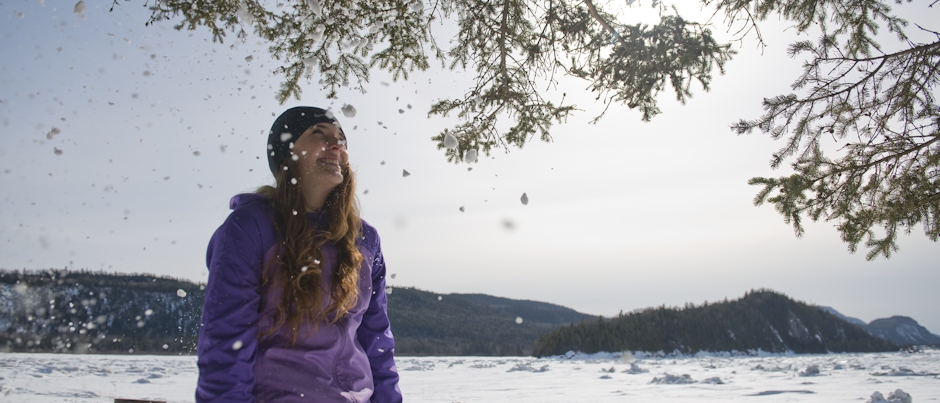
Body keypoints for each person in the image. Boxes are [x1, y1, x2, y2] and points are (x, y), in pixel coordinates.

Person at [195, 106, 402, 403]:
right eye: (319, 133)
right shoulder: (251, 227)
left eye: (341, 139)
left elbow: (377, 342)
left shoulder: (364, 239)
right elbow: (226, 343)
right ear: (286, 153)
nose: (337, 145)